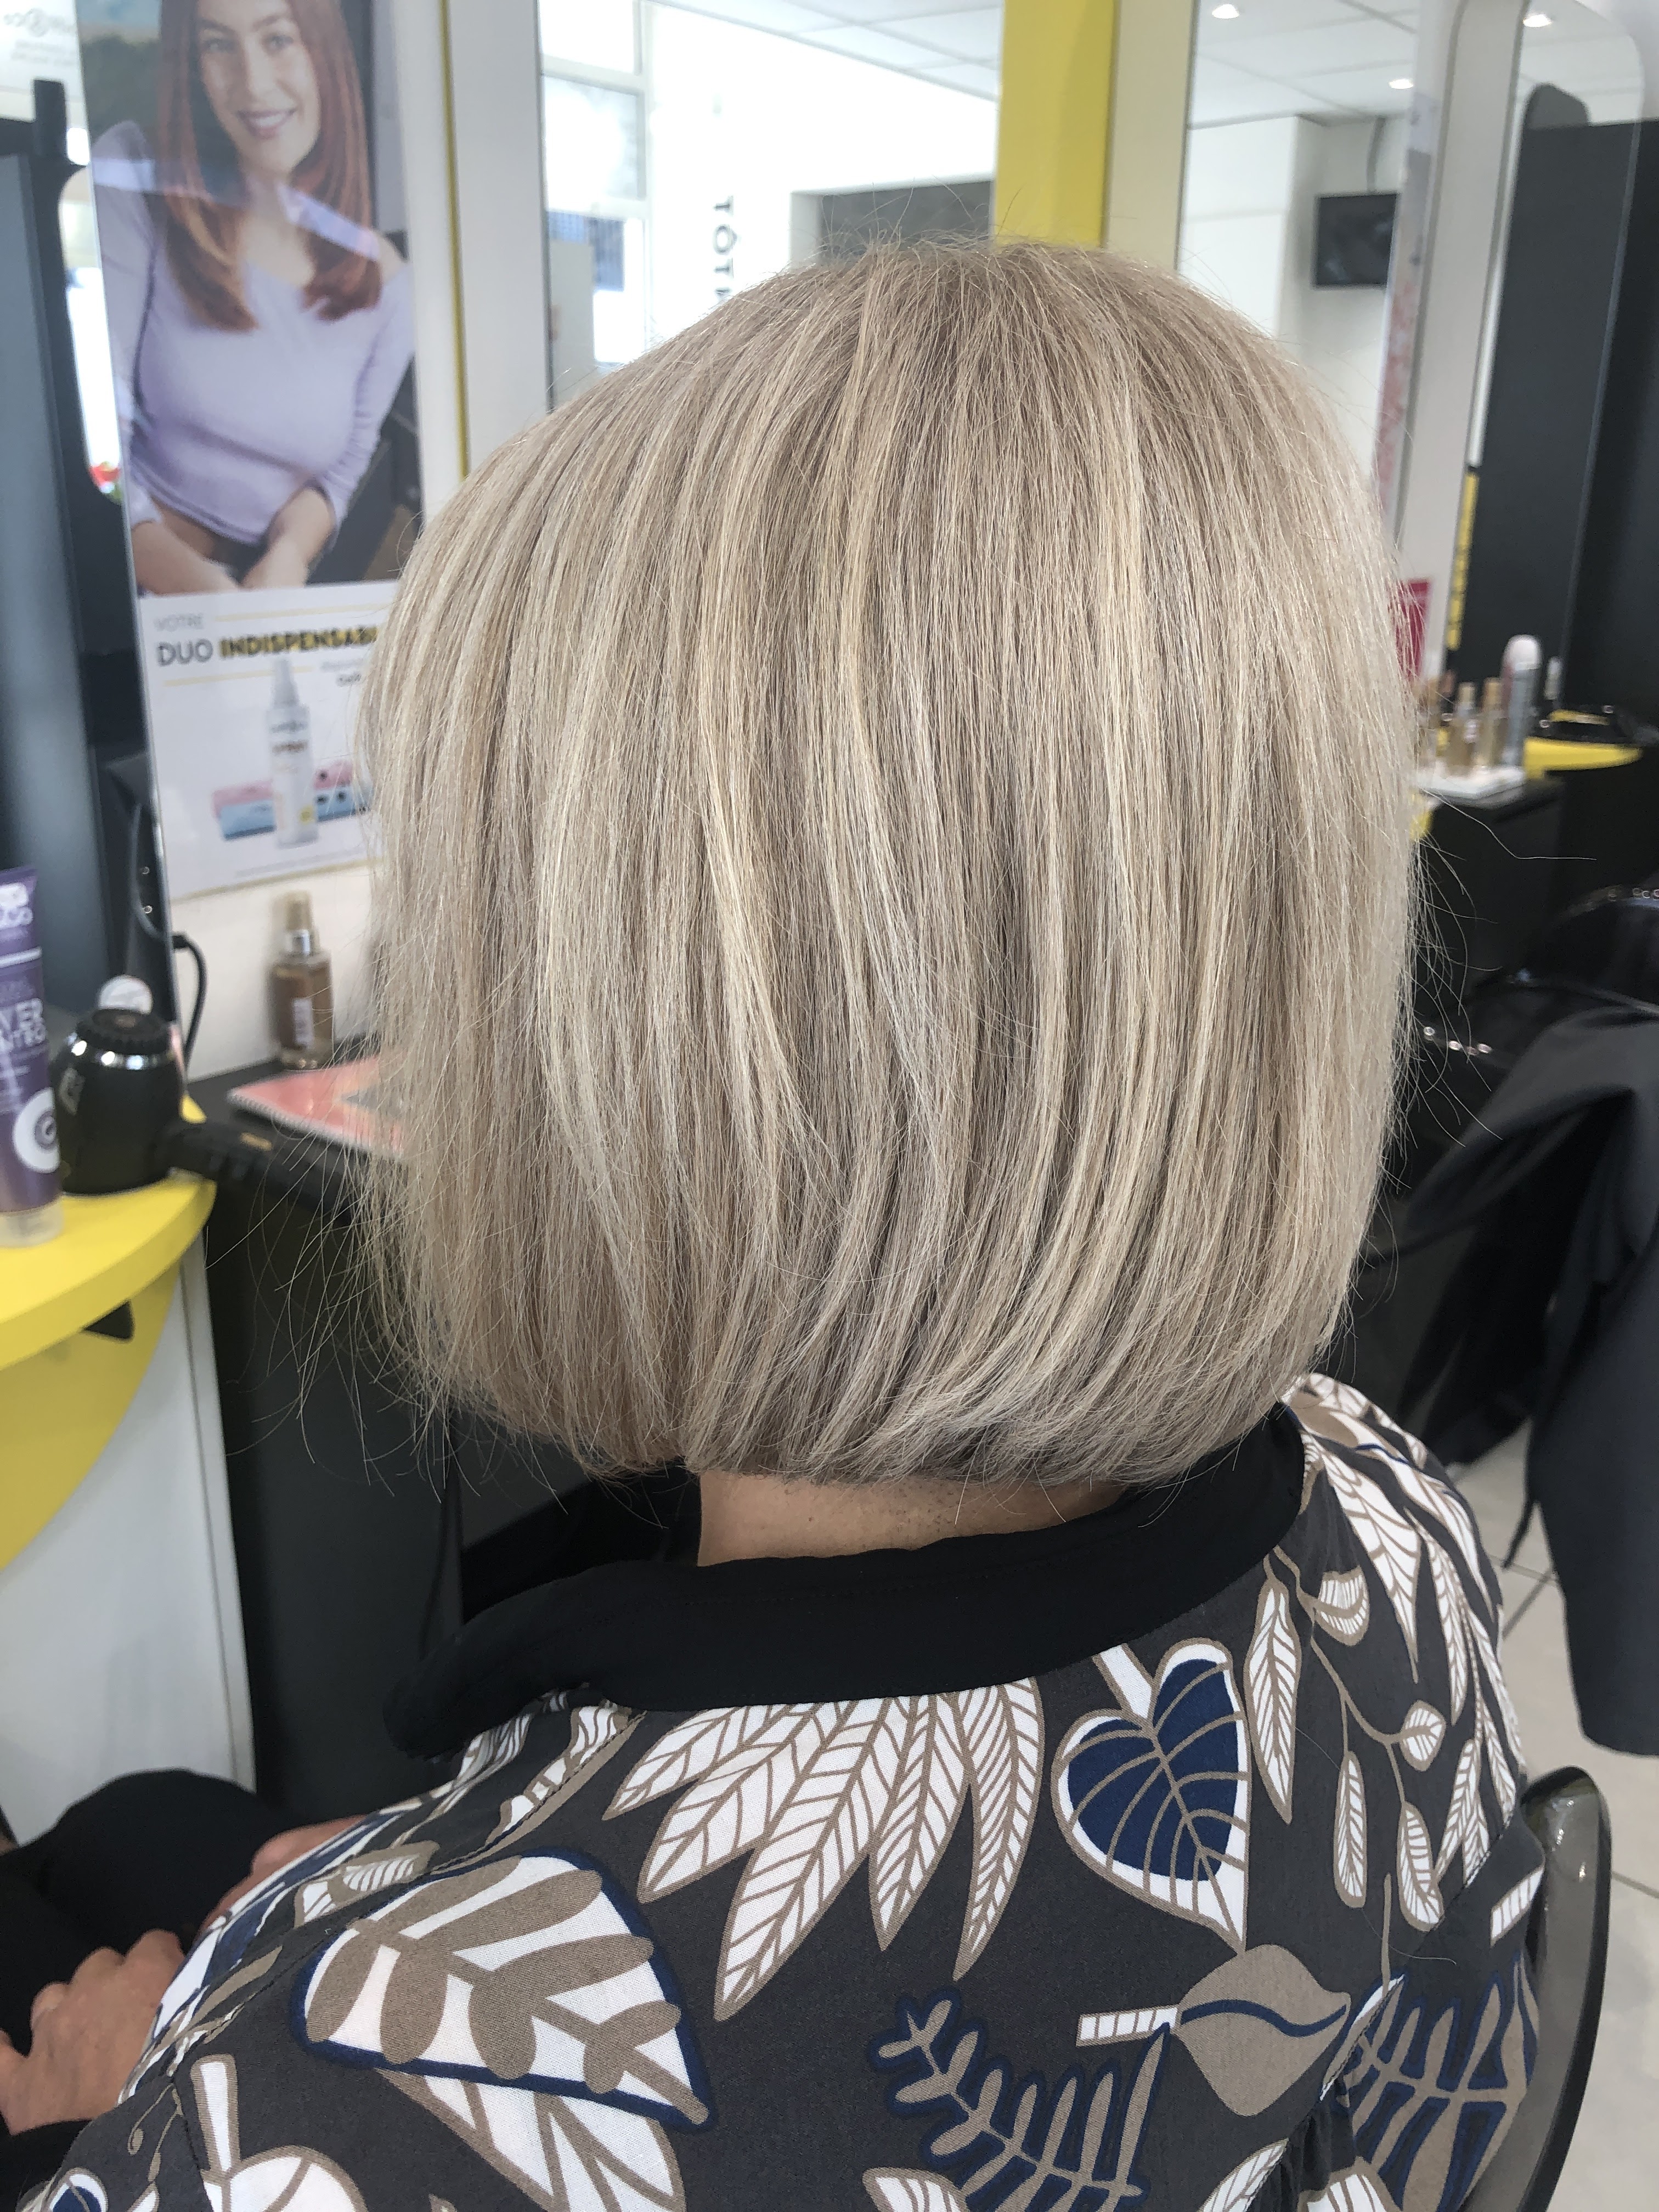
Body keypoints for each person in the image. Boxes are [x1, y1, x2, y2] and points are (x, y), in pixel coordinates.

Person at [1, 246, 1542, 2210]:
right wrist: (406, 1907)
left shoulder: (308, 2124)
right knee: (156, 1831)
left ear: (613, 1055)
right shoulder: (1396, 1512)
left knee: (108, 1865)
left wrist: (118, 2113)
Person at [90, 0, 414, 595]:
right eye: (218, 44)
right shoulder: (134, 173)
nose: (254, 83)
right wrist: (190, 583)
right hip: (126, 574)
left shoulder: (387, 284)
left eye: (278, 40)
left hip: (262, 590)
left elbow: (341, 475)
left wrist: (288, 558)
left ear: (324, 53)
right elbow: (95, 425)